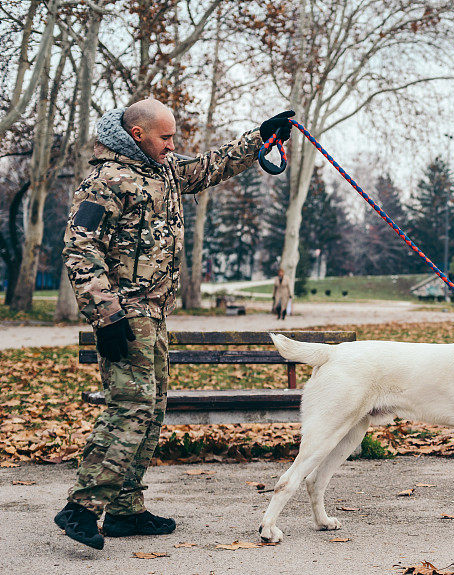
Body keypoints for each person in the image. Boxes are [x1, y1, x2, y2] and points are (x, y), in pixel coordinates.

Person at [54, 98, 294, 550]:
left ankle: (125, 509)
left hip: (156, 311)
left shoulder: (162, 170)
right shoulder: (105, 181)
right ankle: (82, 506)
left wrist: (260, 139)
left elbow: (208, 167)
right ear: (139, 134)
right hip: (124, 313)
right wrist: (105, 314)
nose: (172, 145)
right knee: (132, 405)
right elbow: (79, 248)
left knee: (154, 406)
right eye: (165, 137)